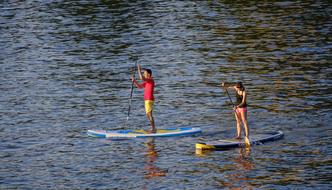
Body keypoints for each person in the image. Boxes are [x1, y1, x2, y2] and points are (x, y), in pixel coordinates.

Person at [131, 64, 156, 133]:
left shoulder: (150, 80)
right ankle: (153, 128)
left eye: (144, 73)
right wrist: (134, 81)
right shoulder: (147, 82)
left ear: (149, 74)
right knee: (148, 114)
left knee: (149, 114)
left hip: (149, 99)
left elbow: (141, 78)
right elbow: (139, 86)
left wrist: (139, 69)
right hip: (147, 100)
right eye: (143, 73)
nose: (143, 74)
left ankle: (153, 129)